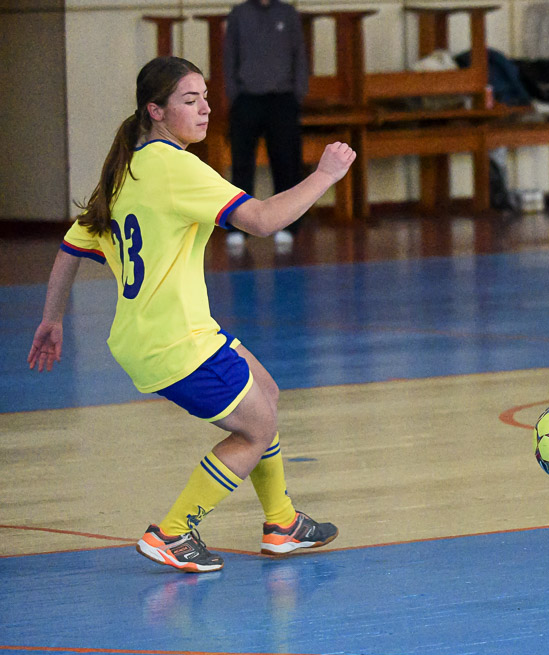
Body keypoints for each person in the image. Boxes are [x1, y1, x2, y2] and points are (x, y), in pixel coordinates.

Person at [27, 56, 357, 572]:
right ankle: (173, 532)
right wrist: (325, 175)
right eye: (189, 100)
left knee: (265, 393)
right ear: (155, 111)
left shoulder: (124, 170)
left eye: (205, 97)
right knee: (256, 429)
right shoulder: (175, 167)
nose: (204, 109)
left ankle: (282, 523)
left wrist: (52, 319)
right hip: (174, 342)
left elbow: (71, 247)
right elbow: (263, 221)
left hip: (165, 333)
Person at [223, 0, 308, 252]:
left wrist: (297, 94)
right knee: (242, 165)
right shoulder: (239, 14)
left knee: (286, 164)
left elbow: (300, 56)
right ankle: (238, 227)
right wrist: (234, 94)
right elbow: (229, 57)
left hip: (282, 99)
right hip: (246, 98)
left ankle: (288, 226)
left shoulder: (288, 14)